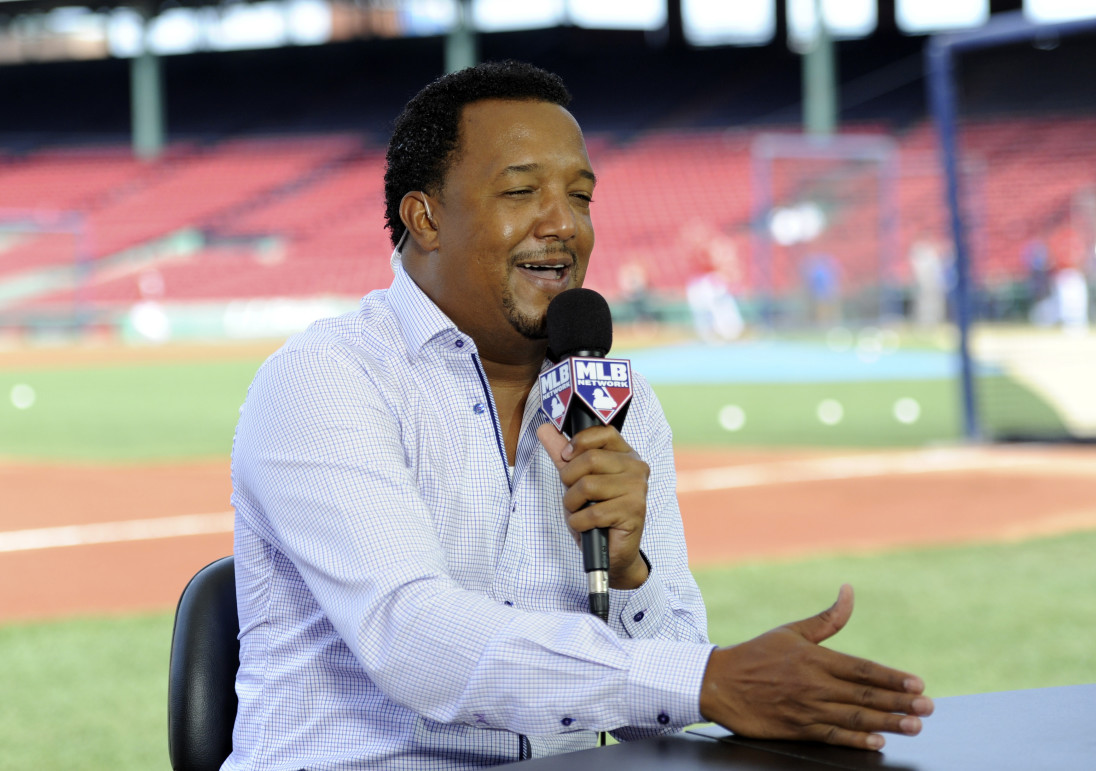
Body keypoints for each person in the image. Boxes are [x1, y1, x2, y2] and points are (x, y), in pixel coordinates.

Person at [224, 61, 932, 771]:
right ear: (425, 217)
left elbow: (661, 711)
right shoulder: (327, 377)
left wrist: (630, 571)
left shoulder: (618, 402)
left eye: (581, 195)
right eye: (521, 190)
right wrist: (706, 681)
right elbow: (413, 638)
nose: (563, 223)